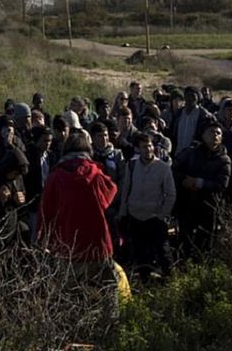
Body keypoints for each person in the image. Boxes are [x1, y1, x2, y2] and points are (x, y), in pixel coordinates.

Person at [39, 132, 119, 308]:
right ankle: (110, 330)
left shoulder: (55, 177)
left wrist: (42, 240)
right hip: (97, 245)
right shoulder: (96, 174)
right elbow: (111, 192)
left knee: (69, 297)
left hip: (67, 247)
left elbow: (45, 213)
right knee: (109, 292)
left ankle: (73, 330)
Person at [118, 133, 176, 278]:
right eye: (144, 147)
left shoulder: (163, 168)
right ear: (138, 149)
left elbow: (170, 194)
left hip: (154, 217)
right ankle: (145, 281)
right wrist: (123, 212)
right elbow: (126, 190)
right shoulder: (131, 166)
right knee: (140, 253)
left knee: (163, 253)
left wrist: (161, 215)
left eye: (150, 146)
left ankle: (172, 282)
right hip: (135, 216)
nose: (148, 149)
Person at [172, 120, 231, 260]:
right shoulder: (190, 153)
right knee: (184, 242)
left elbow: (222, 184)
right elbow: (173, 169)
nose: (215, 135)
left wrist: (199, 183)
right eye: (211, 132)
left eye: (218, 133)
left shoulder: (224, 159)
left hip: (209, 208)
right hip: (187, 205)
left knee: (205, 246)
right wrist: (183, 180)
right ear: (203, 135)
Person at [168, 86, 215, 157]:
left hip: (196, 157)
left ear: (198, 98)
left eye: (193, 96)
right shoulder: (178, 114)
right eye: (188, 96)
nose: (190, 98)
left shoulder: (204, 115)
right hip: (178, 154)